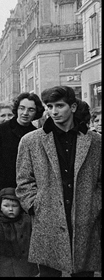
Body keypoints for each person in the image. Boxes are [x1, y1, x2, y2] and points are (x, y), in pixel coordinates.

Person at [16, 85, 102, 276]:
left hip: (84, 219)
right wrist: (36, 205)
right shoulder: (31, 141)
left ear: (72, 107)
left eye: (59, 105)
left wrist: (95, 204)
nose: (53, 111)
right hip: (48, 219)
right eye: (49, 106)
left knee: (83, 272)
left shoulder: (94, 141)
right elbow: (23, 181)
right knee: (49, 272)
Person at [0, 92, 45, 204]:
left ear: (36, 112)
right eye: (22, 108)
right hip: (1, 192)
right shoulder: (0, 131)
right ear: (16, 109)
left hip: (26, 194)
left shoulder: (36, 135)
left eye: (31, 110)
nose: (25, 113)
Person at [0, 187, 39, 277]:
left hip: (24, 262)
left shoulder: (27, 221)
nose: (10, 209)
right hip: (3, 262)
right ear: (0, 207)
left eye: (14, 206)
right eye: (6, 206)